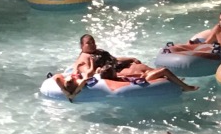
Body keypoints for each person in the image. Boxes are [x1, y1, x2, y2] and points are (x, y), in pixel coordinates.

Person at [55, 34, 198, 96]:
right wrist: (95, 67)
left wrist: (130, 58)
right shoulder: (84, 59)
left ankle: (171, 80)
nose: (92, 44)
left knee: (141, 65)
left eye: (93, 41)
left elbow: (114, 58)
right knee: (147, 72)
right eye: (88, 43)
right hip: (117, 73)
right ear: (82, 46)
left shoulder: (97, 51)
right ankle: (179, 85)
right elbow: (89, 73)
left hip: (118, 65)